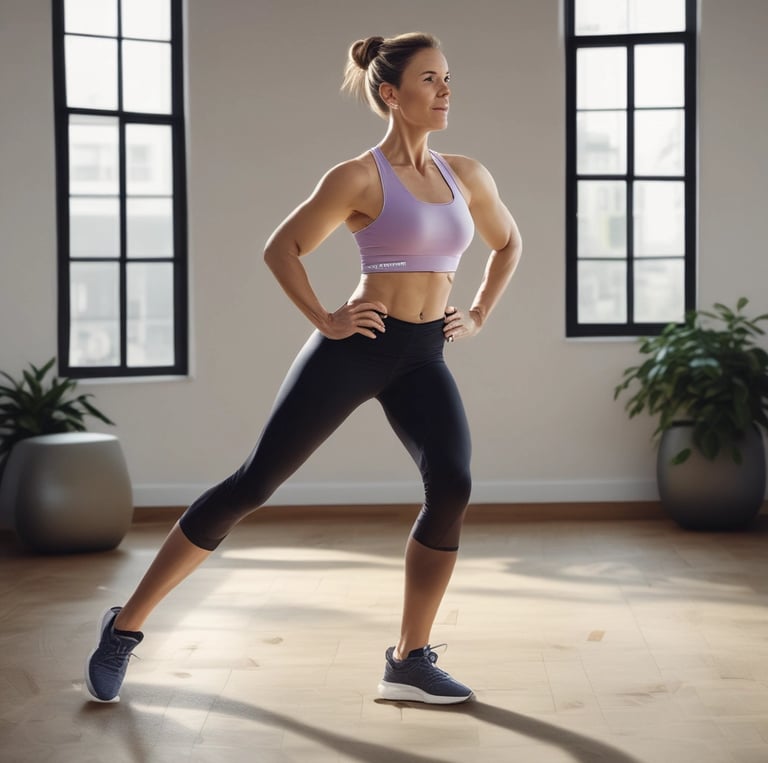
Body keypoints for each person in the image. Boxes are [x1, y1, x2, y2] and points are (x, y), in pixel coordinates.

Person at [85, 31, 522, 706]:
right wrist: (326, 318)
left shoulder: (467, 175)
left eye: (447, 77)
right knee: (254, 483)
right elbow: (281, 247)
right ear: (390, 94)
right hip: (358, 347)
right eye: (430, 80)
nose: (445, 91)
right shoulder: (358, 177)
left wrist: (483, 310)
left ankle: (408, 657)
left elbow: (507, 240)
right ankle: (126, 626)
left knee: (454, 482)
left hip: (422, 353)